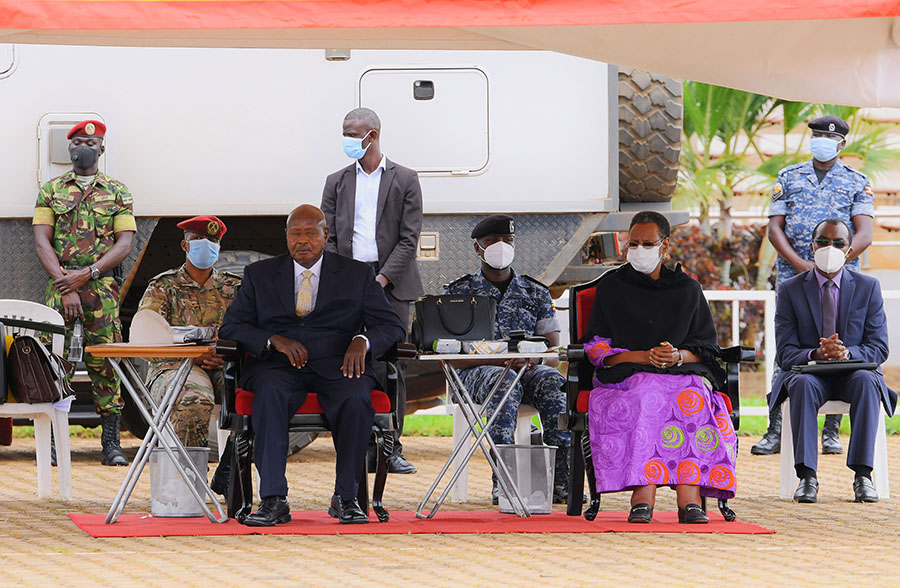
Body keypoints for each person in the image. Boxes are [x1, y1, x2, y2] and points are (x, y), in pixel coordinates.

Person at [218, 204, 405, 526]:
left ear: (325, 234)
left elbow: (392, 326)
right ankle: (274, 500)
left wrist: (362, 341)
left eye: (310, 233)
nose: (302, 240)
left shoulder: (356, 274)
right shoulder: (259, 275)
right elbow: (231, 327)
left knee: (355, 398)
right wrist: (272, 339)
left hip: (339, 365)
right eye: (295, 234)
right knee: (269, 394)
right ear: (286, 236)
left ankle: (347, 498)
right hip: (277, 366)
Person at [581, 211, 736, 524]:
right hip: (627, 375)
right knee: (647, 392)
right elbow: (596, 347)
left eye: (647, 244)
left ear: (665, 245)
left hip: (680, 373)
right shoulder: (612, 287)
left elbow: (706, 350)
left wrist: (676, 356)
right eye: (633, 243)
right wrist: (642, 357)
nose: (639, 250)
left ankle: (690, 497)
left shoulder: (687, 289)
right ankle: (643, 494)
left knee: (692, 395)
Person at [754, 115, 875, 457]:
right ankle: (775, 429)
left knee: (839, 344)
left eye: (829, 136)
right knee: (788, 349)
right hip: (795, 278)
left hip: (840, 281)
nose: (822, 140)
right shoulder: (788, 176)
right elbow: (774, 228)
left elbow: (864, 233)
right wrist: (802, 264)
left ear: (842, 143)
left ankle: (831, 433)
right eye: (817, 134)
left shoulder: (857, 181)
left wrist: (833, 262)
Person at [321, 107, 423, 475]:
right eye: (344, 132)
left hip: (391, 284)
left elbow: (409, 239)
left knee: (389, 363)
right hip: (348, 280)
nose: (347, 139)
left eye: (353, 133)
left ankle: (391, 446)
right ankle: (360, 445)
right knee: (349, 360)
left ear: (373, 135)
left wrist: (380, 280)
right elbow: (327, 236)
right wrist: (347, 280)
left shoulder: (405, 178)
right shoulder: (336, 181)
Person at [444, 214, 571, 504]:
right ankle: (504, 481)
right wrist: (497, 362)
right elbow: (449, 355)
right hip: (475, 376)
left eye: (507, 240)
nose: (500, 247)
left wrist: (532, 360)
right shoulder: (458, 293)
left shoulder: (535, 292)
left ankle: (560, 480)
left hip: (527, 371)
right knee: (505, 381)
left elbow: (552, 352)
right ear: (478, 248)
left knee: (554, 382)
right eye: (492, 241)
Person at [32, 119, 135, 466]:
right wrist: (65, 283)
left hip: (101, 291)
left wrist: (88, 274)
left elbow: (124, 243)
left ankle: (111, 444)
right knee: (52, 363)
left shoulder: (118, 192)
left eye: (90, 143)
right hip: (60, 290)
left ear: (101, 148)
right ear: (69, 148)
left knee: (106, 364)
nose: (83, 148)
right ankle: (52, 443)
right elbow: (42, 241)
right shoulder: (51, 190)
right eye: (77, 142)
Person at [771, 218, 895, 503]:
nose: (830, 248)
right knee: (801, 384)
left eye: (839, 243)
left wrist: (846, 352)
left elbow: (879, 347)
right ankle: (807, 477)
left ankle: (863, 476)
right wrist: (816, 354)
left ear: (849, 251)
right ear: (812, 247)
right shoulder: (790, 289)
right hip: (811, 375)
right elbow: (785, 352)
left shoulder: (868, 287)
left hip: (853, 374)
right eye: (823, 242)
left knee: (867, 381)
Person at [137, 216, 239, 448]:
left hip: (225, 366)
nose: (206, 245)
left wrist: (227, 356)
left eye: (212, 241)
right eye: (199, 239)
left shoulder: (233, 287)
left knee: (257, 392)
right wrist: (194, 355)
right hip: (175, 367)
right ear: (185, 245)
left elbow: (250, 331)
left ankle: (234, 464)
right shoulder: (163, 287)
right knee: (193, 399)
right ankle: (191, 467)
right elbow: (146, 338)